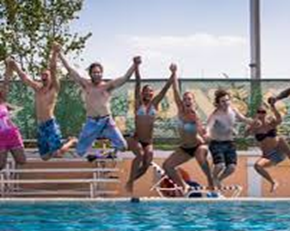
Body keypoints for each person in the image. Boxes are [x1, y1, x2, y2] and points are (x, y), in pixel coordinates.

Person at [57, 43, 140, 159]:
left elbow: (125, 78)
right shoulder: (86, 84)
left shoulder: (107, 86)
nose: (97, 74)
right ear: (90, 74)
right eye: (94, 72)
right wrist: (60, 55)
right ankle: (75, 141)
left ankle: (108, 153)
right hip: (91, 122)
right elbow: (71, 71)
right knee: (80, 152)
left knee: (123, 146)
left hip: (106, 122)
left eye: (99, 72)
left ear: (102, 73)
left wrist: (134, 65)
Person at [8, 44, 77, 160]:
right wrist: (15, 66)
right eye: (42, 75)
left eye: (46, 75)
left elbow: (53, 68)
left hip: (50, 124)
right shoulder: (37, 88)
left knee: (57, 154)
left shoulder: (54, 88)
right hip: (40, 126)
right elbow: (24, 78)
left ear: (51, 78)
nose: (43, 77)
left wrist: (54, 53)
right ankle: (63, 144)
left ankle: (71, 141)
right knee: (45, 157)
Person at [125, 63, 176, 193]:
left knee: (147, 164)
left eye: (150, 91)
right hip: (136, 138)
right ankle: (130, 181)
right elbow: (137, 82)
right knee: (140, 155)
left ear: (153, 94)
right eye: (146, 91)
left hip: (148, 141)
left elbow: (166, 88)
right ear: (142, 93)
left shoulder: (155, 104)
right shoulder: (138, 103)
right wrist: (136, 67)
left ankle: (130, 181)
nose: (148, 93)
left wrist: (173, 73)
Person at [162, 65, 213, 191]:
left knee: (200, 156)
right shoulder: (180, 109)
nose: (186, 100)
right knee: (167, 166)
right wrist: (174, 73)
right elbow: (175, 90)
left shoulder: (195, 117)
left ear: (193, 102)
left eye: (189, 99)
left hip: (197, 146)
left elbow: (202, 132)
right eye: (185, 99)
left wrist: (208, 136)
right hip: (185, 148)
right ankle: (183, 186)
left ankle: (211, 182)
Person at [245, 102, 290, 192]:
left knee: (281, 139)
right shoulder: (255, 125)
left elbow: (280, 119)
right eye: (259, 112)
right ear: (256, 113)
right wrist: (252, 126)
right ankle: (273, 182)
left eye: (263, 112)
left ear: (267, 113)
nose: (261, 114)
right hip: (268, 156)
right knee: (257, 166)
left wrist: (273, 107)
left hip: (279, 152)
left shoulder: (272, 122)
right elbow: (245, 135)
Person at [206, 89, 254, 187]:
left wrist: (253, 122)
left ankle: (219, 179)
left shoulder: (233, 110)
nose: (226, 103)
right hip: (216, 143)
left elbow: (243, 119)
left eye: (227, 100)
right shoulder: (215, 115)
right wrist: (207, 133)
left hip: (229, 143)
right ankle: (213, 178)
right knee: (220, 165)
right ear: (218, 103)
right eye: (223, 101)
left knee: (231, 168)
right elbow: (209, 126)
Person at [0, 59, 26, 171]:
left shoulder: (2, 101)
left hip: (12, 134)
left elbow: (6, 83)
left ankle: (8, 153)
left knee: (22, 161)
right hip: (0, 137)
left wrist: (9, 68)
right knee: (0, 165)